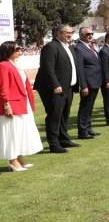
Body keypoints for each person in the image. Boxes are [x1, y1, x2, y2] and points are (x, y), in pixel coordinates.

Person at [34, 24, 81, 153]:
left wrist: (76, 84)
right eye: (67, 32)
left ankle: (64, 139)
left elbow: (72, 67)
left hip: (68, 87)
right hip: (53, 88)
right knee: (54, 115)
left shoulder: (69, 48)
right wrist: (55, 85)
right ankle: (53, 144)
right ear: (58, 33)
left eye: (71, 32)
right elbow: (47, 68)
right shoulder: (51, 47)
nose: (70, 35)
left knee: (64, 114)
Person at [0, 42, 43, 171]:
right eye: (17, 48)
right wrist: (6, 104)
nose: (20, 50)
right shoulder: (3, 65)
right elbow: (3, 87)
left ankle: (19, 157)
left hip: (23, 103)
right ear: (8, 50)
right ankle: (12, 160)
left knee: (21, 131)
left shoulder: (16, 64)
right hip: (12, 104)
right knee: (12, 132)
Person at [73, 27, 102, 139]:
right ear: (81, 36)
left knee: (90, 107)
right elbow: (80, 69)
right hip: (88, 83)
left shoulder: (90, 47)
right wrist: (83, 85)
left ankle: (88, 128)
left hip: (95, 81)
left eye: (91, 34)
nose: (90, 36)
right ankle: (83, 131)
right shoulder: (79, 48)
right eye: (87, 34)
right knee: (85, 107)